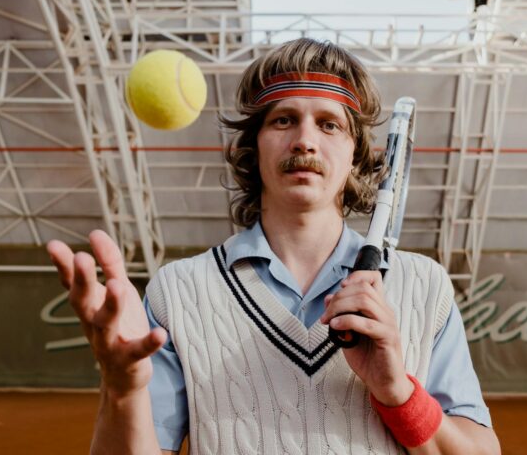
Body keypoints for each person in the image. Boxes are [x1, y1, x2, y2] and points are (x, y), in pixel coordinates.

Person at [47, 38, 500, 454]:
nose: (304, 140)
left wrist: (398, 392)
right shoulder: (178, 291)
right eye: (284, 120)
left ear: (355, 154)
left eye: (329, 125)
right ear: (253, 146)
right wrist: (122, 389)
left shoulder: (424, 287)